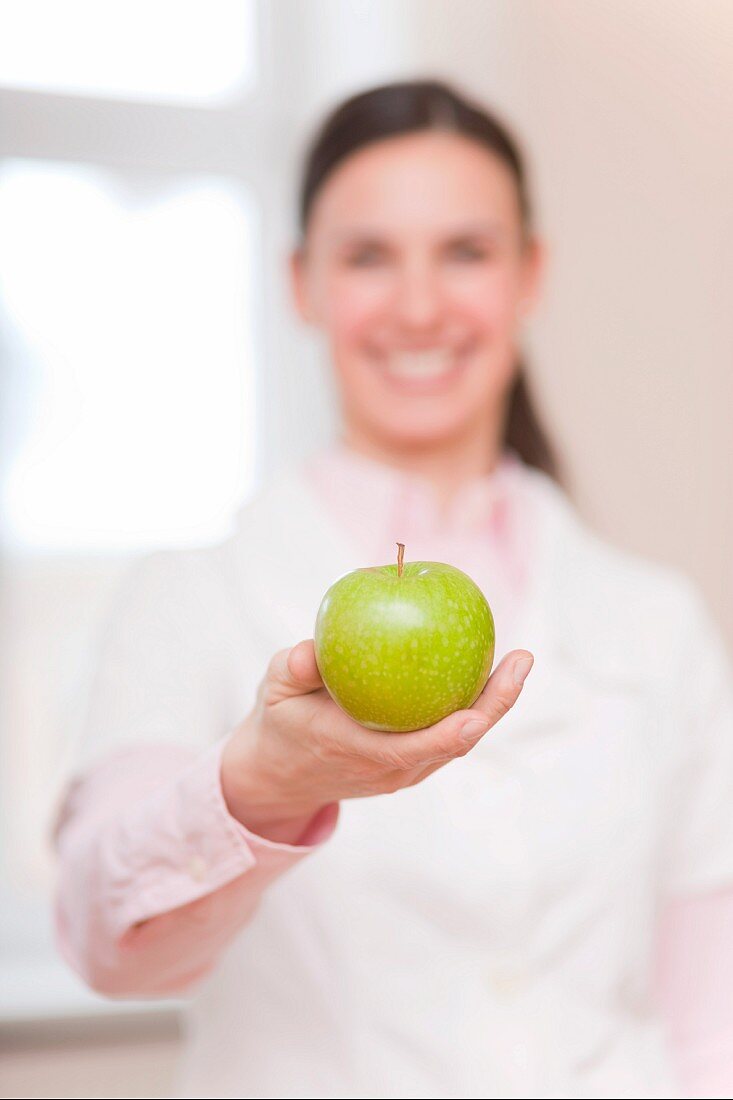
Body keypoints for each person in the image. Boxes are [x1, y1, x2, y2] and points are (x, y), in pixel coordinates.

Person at [53, 81, 733, 1099]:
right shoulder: (188, 598)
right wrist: (261, 788)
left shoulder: (655, 618)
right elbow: (109, 944)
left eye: (465, 251)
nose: (419, 306)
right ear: (301, 282)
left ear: (528, 275)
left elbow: (708, 1001)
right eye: (368, 255)